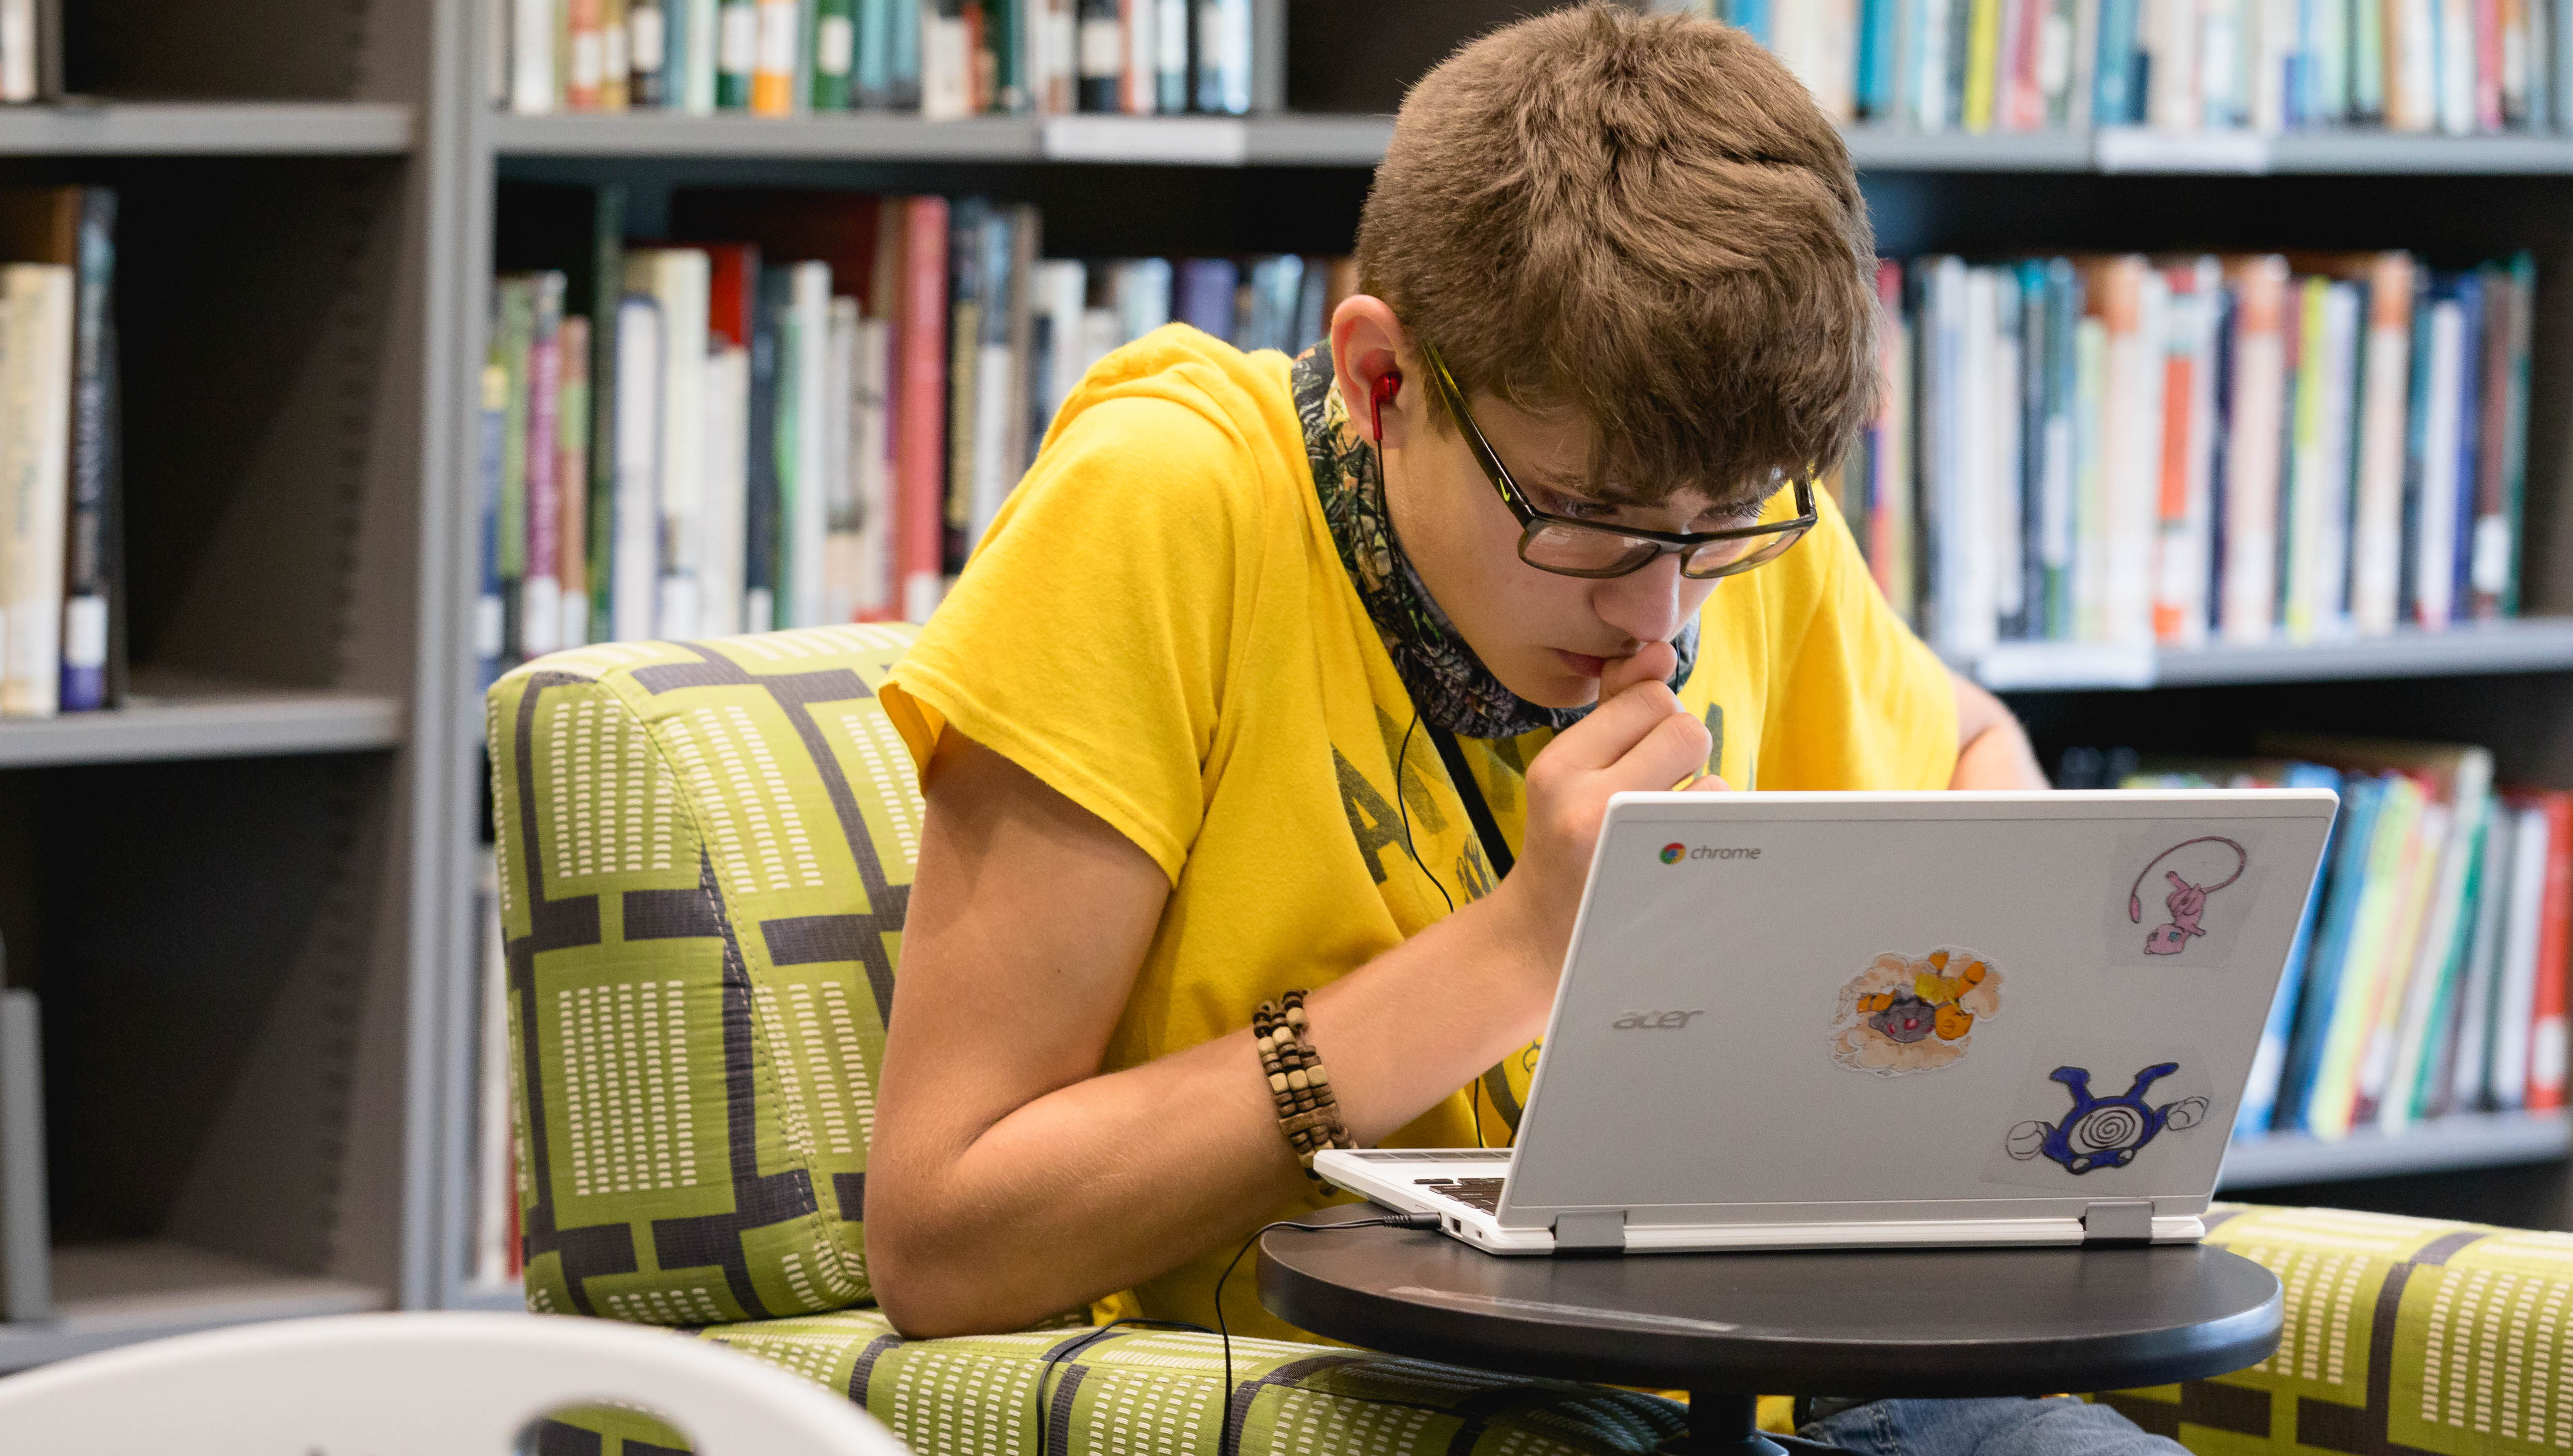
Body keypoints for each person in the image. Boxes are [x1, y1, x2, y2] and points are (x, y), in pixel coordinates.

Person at [861, 7, 2184, 1453]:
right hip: (1397, 1400)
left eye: (1718, 531)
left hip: (1802, 1377)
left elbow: (1965, 739)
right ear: (1385, 382)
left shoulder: (1727, 525)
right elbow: (944, 1239)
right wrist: (1522, 949)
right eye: (1590, 524)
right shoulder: (1170, 507)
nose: (1661, 619)